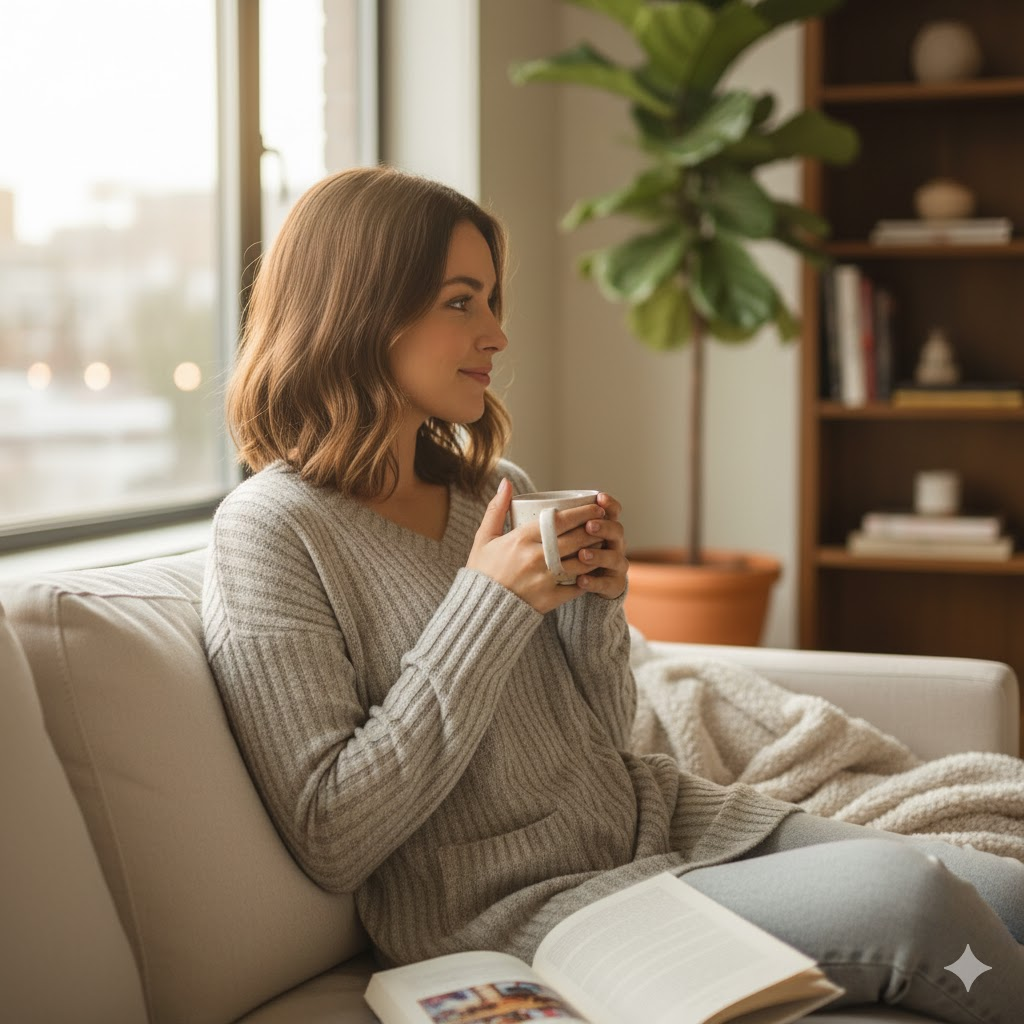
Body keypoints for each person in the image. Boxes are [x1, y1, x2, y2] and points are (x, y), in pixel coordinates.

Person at [202, 165, 1023, 1022]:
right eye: (462, 302)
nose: (496, 335)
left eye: (491, 301)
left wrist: (595, 608)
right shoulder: (270, 532)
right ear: (360, 311)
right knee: (916, 905)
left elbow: (597, 741)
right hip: (526, 909)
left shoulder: (494, 490)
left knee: (1003, 889)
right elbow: (333, 834)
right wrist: (489, 606)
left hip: (663, 823)